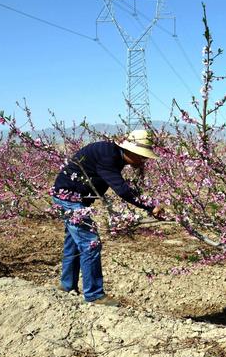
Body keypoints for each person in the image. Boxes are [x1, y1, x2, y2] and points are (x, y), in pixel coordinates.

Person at [51, 130, 163, 306]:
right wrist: (150, 206)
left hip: (72, 198)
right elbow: (122, 190)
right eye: (142, 156)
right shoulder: (108, 157)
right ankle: (94, 295)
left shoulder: (112, 154)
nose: (144, 160)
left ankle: (67, 286)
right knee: (90, 243)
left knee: (74, 243)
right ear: (131, 151)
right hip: (69, 199)